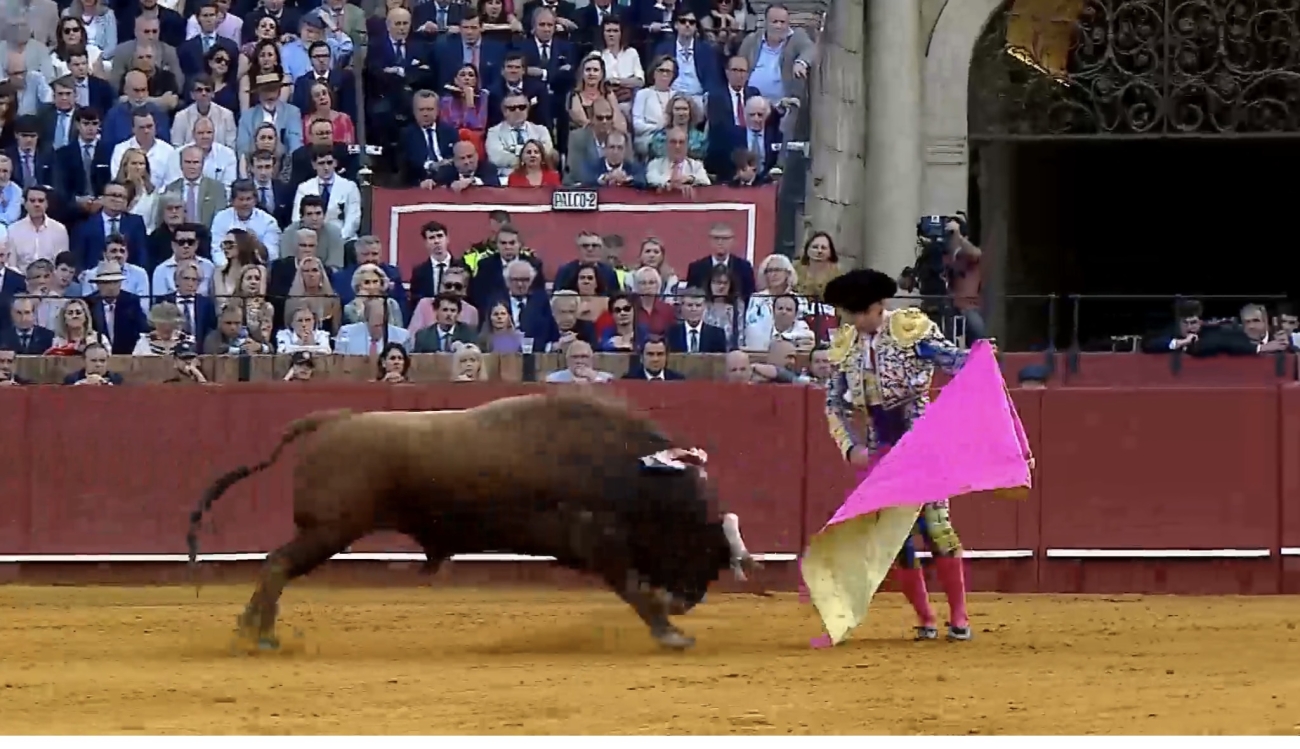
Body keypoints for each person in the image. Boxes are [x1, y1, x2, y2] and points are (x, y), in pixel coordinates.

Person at [818, 268, 977, 644]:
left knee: (937, 528)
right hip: (879, 447)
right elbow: (833, 405)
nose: (856, 322)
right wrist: (850, 447)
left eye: (862, 314)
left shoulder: (909, 330)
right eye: (850, 315)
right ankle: (925, 617)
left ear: (879, 306)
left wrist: (979, 358)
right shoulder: (846, 345)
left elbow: (954, 362)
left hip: (921, 438)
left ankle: (959, 615)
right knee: (896, 539)